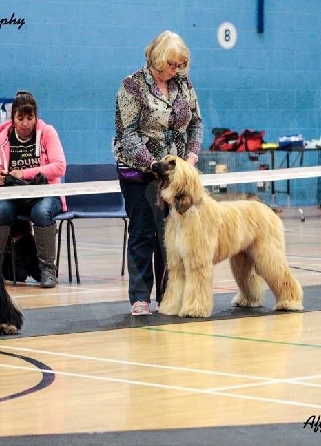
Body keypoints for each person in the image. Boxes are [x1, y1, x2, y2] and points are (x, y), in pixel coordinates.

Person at [113, 30, 203, 316]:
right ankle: (140, 298)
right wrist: (154, 164)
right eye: (172, 65)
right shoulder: (132, 86)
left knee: (172, 236)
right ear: (157, 58)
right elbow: (127, 135)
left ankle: (170, 295)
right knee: (142, 233)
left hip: (176, 176)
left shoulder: (183, 84)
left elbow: (196, 123)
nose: (177, 70)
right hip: (140, 172)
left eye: (180, 65)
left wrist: (190, 156)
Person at [0, 91, 67, 288]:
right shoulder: (1, 136)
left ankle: (47, 270)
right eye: (20, 118)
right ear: (13, 117)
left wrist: (25, 173)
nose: (25, 123)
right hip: (14, 195)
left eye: (30, 118)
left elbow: (59, 166)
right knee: (0, 212)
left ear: (36, 117)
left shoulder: (48, 133)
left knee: (41, 212)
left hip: (45, 193)